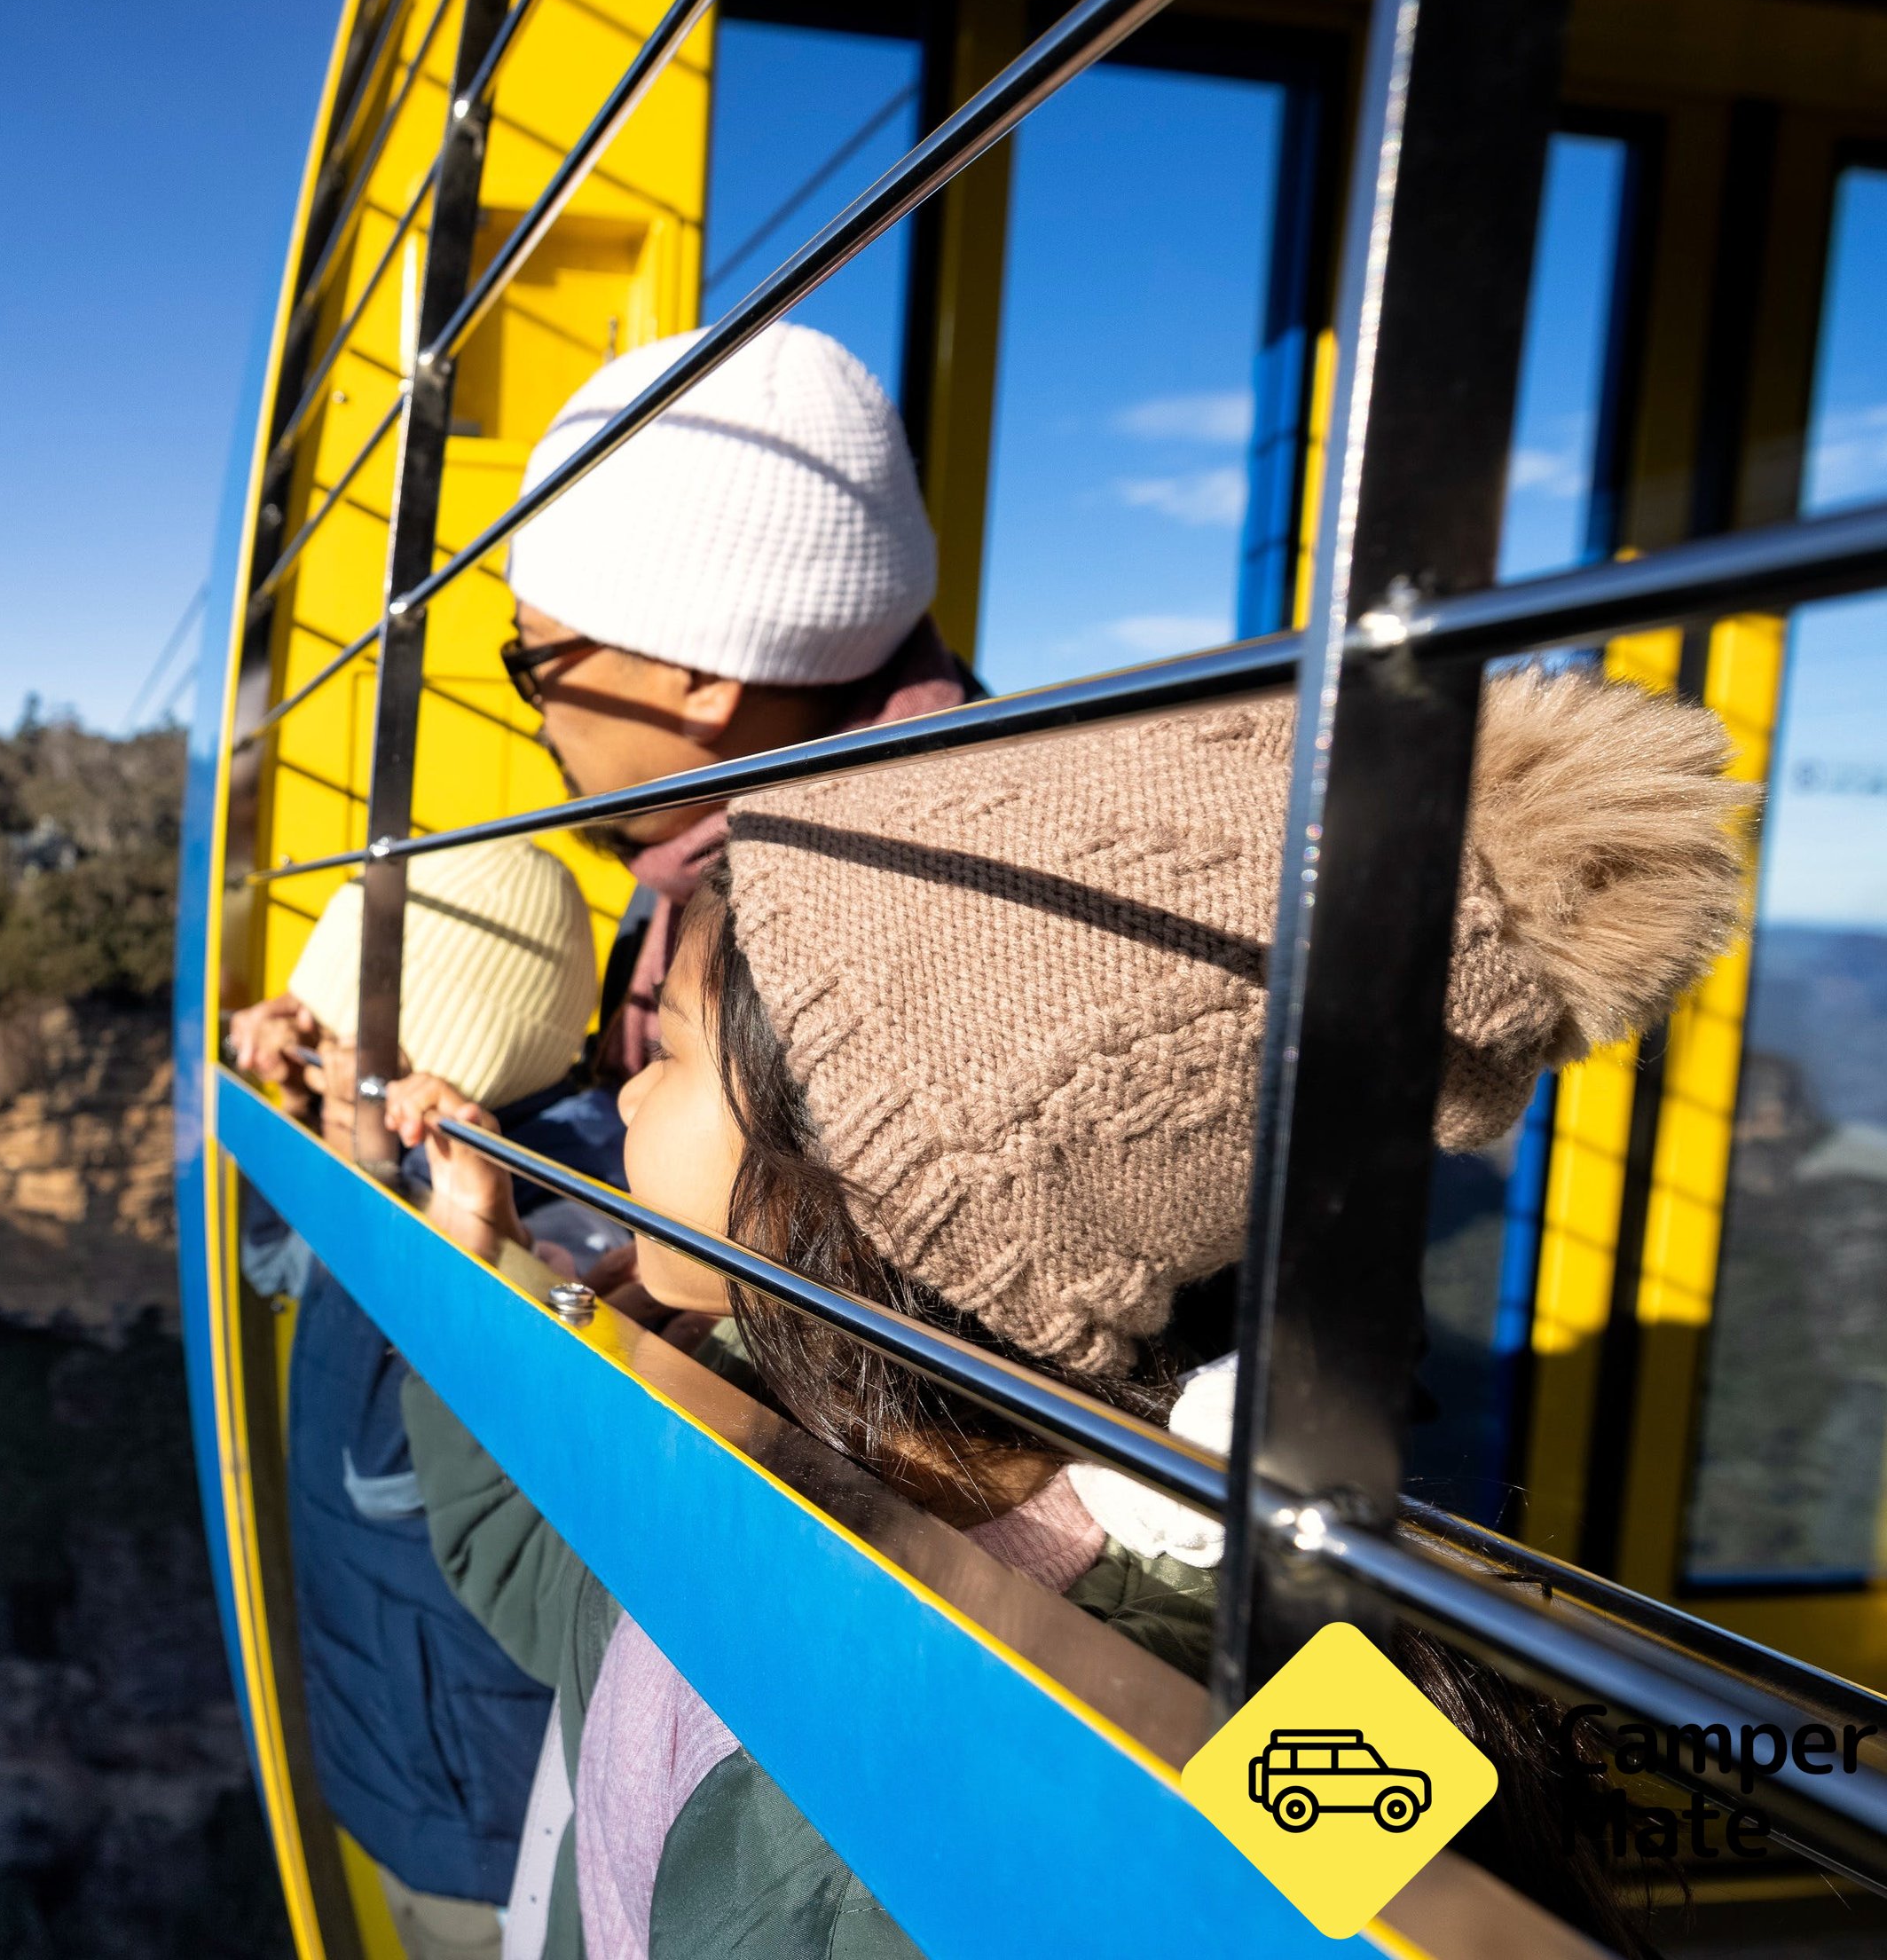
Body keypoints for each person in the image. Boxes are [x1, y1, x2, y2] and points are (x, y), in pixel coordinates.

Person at [384, 668, 1752, 1959]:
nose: (620, 1091)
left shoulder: (1080, 1762)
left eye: (667, 1054)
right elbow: (555, 1574)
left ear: (869, 1200)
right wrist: (463, 1265)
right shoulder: (745, 1403)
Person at [224, 838, 622, 1960]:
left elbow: (398, 1469)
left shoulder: (559, 1229)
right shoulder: (396, 1184)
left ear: (437, 1056)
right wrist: (293, 1114)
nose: (315, 1058)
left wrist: (463, 1240)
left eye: (336, 1041)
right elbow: (273, 1268)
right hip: (397, 1752)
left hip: (482, 1823)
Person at [499, 321, 975, 1082]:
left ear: (703, 677)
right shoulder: (711, 852)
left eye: (536, 652)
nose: (536, 707)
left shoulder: (864, 974)